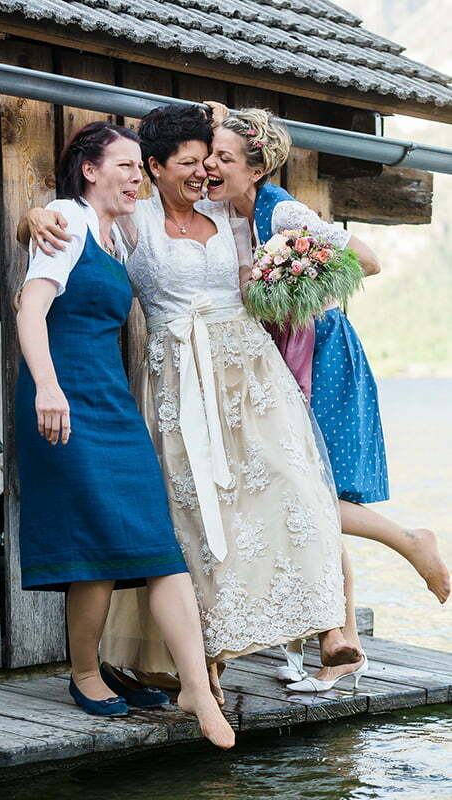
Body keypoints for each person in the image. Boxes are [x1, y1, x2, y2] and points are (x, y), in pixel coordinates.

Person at [19, 104, 362, 705]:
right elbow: (70, 228)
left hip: (249, 373)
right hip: (176, 375)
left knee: (293, 488)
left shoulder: (230, 215)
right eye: (189, 163)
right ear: (152, 168)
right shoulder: (134, 220)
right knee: (191, 519)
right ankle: (198, 662)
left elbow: (263, 195)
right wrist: (32, 217)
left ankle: (329, 627)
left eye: (209, 162)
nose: (204, 173)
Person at [200, 103, 450, 689]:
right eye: (211, 154)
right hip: (269, 360)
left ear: (256, 166)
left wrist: (289, 280)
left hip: (319, 352)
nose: (212, 165)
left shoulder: (280, 209)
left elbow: (366, 260)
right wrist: (217, 116)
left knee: (314, 490)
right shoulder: (223, 210)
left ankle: (408, 546)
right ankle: (342, 641)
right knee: (303, 493)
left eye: (224, 157)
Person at [15, 119, 234, 747]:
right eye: (126, 166)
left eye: (142, 168)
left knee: (152, 537)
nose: (137, 177)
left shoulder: (118, 234)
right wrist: (48, 388)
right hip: (66, 395)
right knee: (94, 543)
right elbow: (30, 308)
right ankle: (84, 672)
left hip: (111, 397)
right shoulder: (67, 216)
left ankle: (193, 682)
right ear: (90, 170)